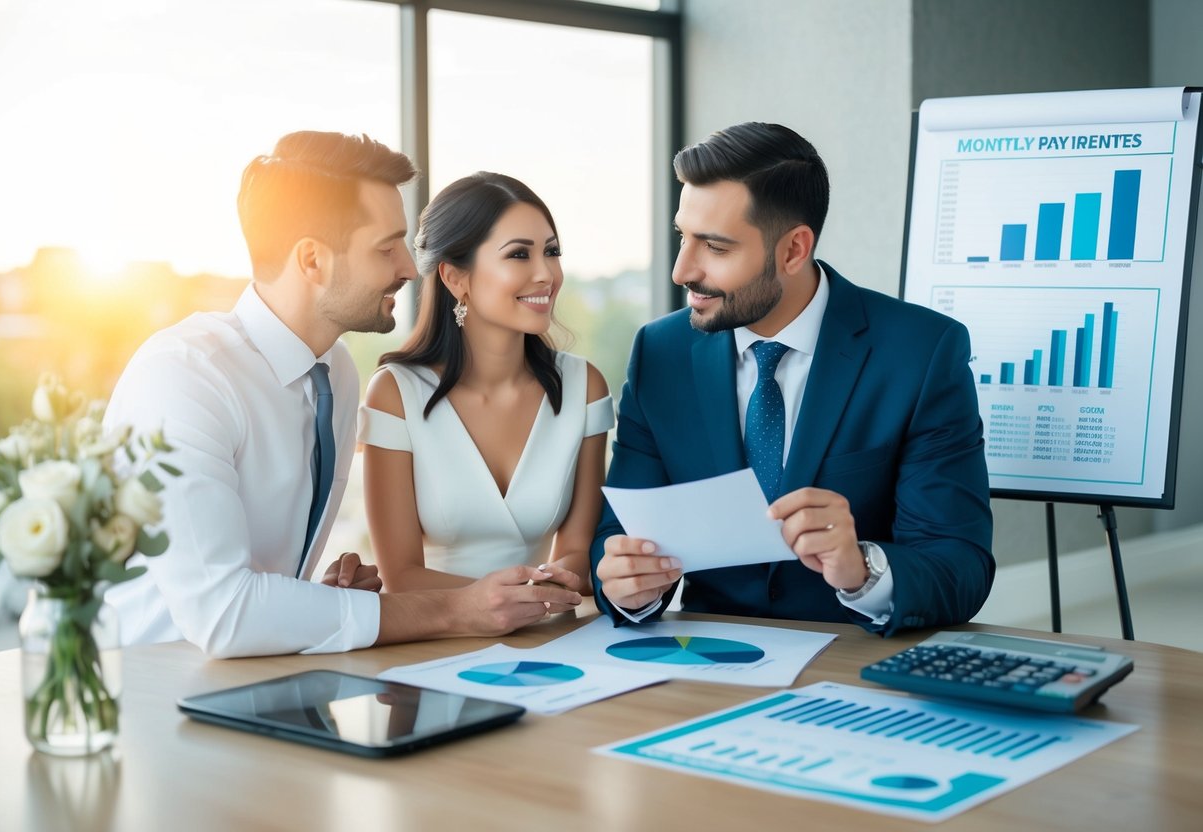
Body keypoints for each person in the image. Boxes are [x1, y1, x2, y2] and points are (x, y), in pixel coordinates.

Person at [104, 133, 581, 658]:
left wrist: (324, 604)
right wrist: (458, 608)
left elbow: (252, 592)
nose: (408, 267)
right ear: (312, 261)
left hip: (250, 679)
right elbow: (224, 614)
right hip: (142, 684)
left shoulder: (334, 371)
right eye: (387, 247)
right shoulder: (184, 380)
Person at [591, 122, 994, 635]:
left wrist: (861, 568)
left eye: (714, 247)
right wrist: (627, 586)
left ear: (793, 250)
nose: (681, 270)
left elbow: (960, 566)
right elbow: (618, 535)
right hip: (705, 659)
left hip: (854, 659)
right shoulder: (659, 353)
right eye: (682, 237)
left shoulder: (920, 353)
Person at [359, 172, 612, 600]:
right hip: (437, 643)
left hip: (550, 638)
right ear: (455, 278)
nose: (545, 273)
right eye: (519, 255)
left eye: (551, 252)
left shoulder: (582, 386)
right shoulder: (395, 394)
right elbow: (401, 576)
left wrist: (557, 580)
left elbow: (577, 553)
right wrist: (519, 595)